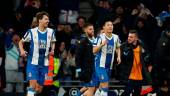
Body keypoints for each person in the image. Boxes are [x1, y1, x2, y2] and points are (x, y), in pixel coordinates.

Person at [19, 11, 56, 96]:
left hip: (44, 64)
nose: (48, 21)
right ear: (40, 20)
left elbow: (53, 41)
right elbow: (21, 42)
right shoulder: (31, 32)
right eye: (46, 19)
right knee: (32, 85)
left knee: (39, 89)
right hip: (33, 63)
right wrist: (22, 50)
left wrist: (53, 49)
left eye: (48, 19)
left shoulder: (51, 32)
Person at [120, 30, 152, 96]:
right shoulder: (124, 46)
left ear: (136, 38)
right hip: (129, 75)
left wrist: (149, 65)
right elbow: (121, 60)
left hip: (140, 76)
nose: (129, 38)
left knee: (138, 94)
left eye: (131, 37)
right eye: (128, 36)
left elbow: (148, 56)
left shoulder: (142, 45)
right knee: (126, 93)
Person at [93, 19, 121, 96]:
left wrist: (119, 56)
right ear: (104, 27)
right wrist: (102, 44)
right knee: (105, 86)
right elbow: (94, 51)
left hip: (109, 66)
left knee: (101, 86)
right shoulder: (100, 37)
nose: (110, 26)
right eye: (108, 25)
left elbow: (118, 47)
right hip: (100, 65)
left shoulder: (116, 37)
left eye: (111, 25)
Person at [75, 23, 96, 96]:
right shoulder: (82, 41)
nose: (92, 30)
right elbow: (77, 57)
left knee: (88, 87)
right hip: (85, 69)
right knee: (91, 88)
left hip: (93, 69)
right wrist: (78, 71)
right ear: (85, 30)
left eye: (93, 29)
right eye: (90, 29)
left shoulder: (95, 40)